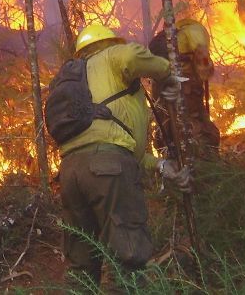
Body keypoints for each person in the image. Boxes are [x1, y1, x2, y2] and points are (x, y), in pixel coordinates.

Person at [56, 24, 189, 284]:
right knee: (128, 257)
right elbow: (131, 57)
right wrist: (167, 74)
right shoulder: (112, 55)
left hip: (70, 172)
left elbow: (122, 147)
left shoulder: (78, 78)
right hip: (108, 168)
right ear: (111, 42)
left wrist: (160, 165)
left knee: (81, 262)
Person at [149, 19, 219, 159]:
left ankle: (174, 160)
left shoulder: (163, 40)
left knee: (168, 127)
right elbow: (204, 65)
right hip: (185, 86)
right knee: (194, 125)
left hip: (161, 85)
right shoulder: (195, 31)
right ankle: (204, 162)